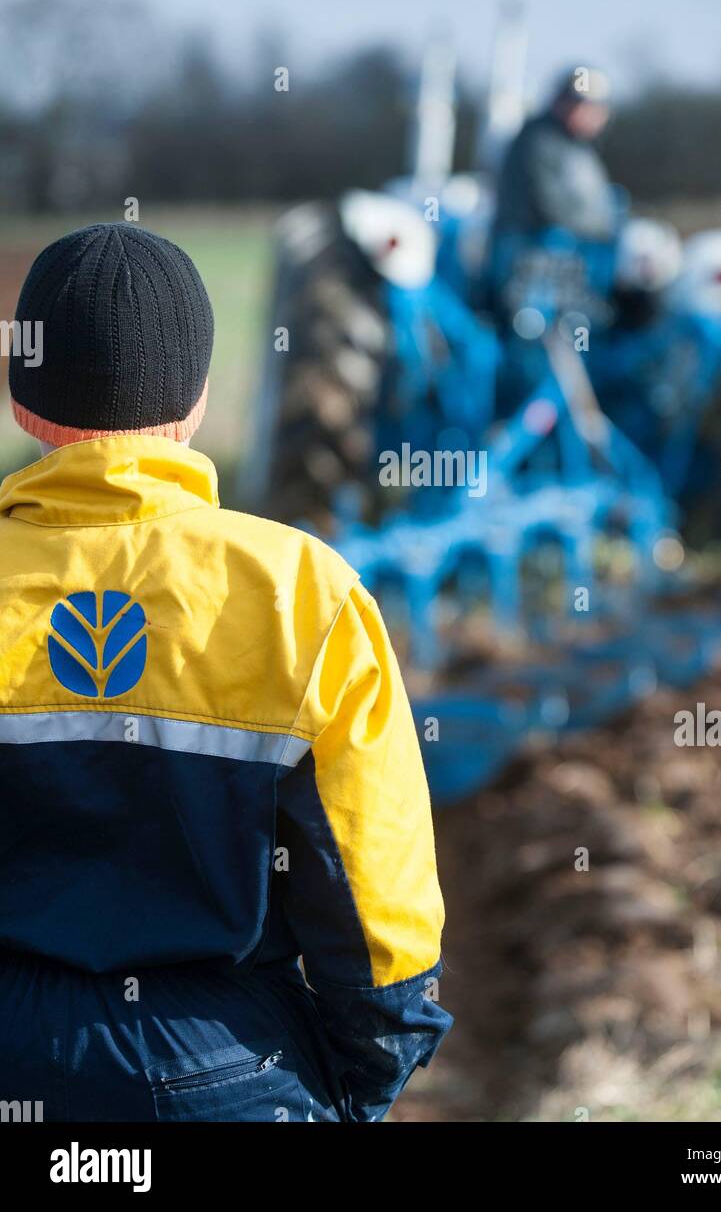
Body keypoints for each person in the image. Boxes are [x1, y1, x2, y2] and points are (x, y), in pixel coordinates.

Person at [0, 222, 450, 1122]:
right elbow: (375, 900)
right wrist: (361, 1077)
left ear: (21, 400)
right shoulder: (302, 593)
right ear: (197, 399)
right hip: (224, 1065)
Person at [493, 65, 616, 243]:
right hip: (533, 253)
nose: (596, 115)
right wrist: (602, 230)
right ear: (561, 101)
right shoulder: (539, 141)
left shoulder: (578, 145)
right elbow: (550, 207)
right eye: (582, 105)